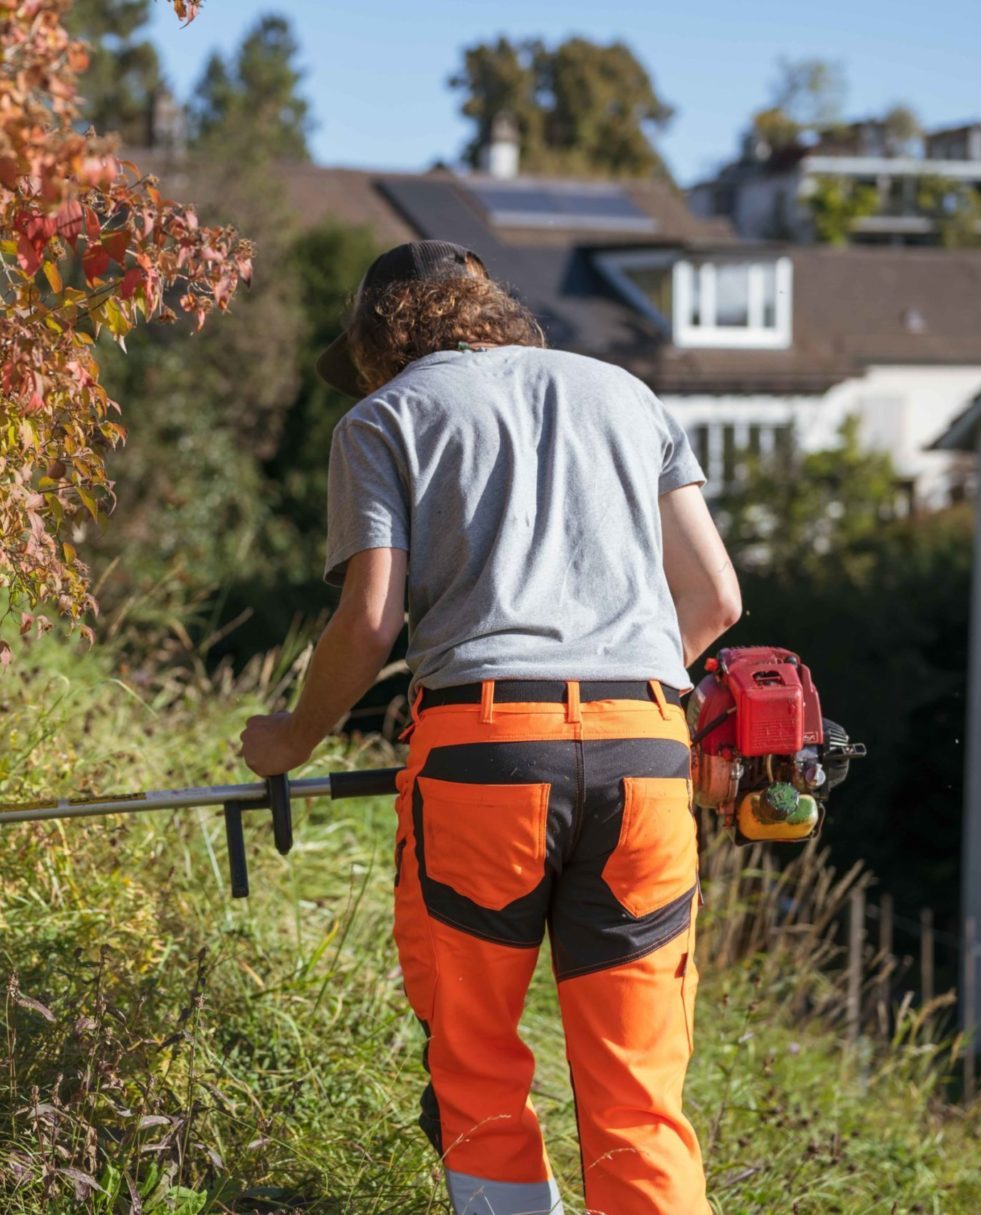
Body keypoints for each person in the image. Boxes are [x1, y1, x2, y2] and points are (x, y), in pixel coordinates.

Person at [239, 240, 740, 1215]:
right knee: (640, 1094)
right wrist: (618, 693)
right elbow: (715, 598)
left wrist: (289, 740)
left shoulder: (383, 418)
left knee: (476, 1065)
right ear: (489, 307)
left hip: (486, 760)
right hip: (646, 754)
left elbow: (371, 620)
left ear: (386, 338)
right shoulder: (624, 394)